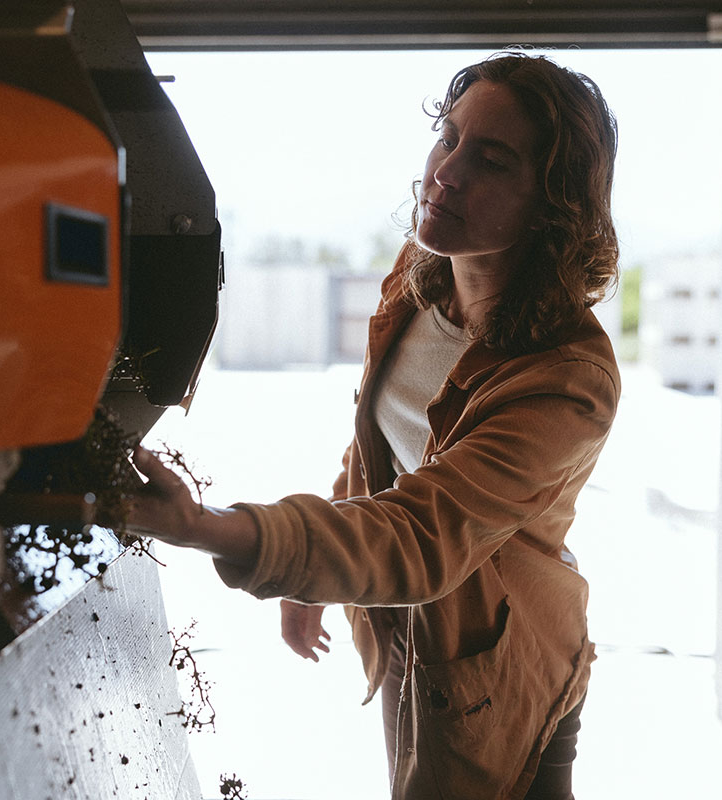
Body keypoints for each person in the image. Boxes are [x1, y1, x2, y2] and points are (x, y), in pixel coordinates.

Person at [125, 51, 620, 800]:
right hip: (403, 621)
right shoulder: (419, 275)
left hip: (500, 657)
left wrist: (213, 528)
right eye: (448, 137)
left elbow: (423, 533)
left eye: (491, 159)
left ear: (552, 204)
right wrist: (311, 564)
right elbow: (377, 449)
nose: (447, 171)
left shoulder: (567, 377)